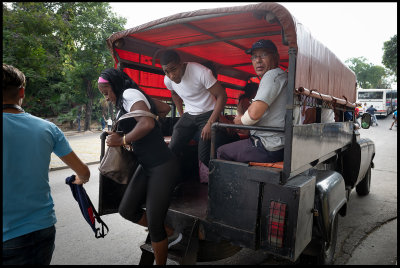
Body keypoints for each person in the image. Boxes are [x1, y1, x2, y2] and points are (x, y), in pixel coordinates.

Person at [3, 64, 90, 265]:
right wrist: (79, 179)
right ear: (22, 92)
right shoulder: (47, 128)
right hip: (40, 229)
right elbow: (83, 171)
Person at [98, 68, 180, 265]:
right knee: (126, 209)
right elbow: (163, 109)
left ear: (116, 85)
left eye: (107, 92)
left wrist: (123, 139)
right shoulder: (128, 97)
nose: (107, 98)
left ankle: (162, 241)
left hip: (162, 165)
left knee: (154, 224)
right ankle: (173, 234)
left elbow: (147, 124)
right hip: (146, 165)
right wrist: (145, 102)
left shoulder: (128, 94)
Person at [217, 39, 287, 163]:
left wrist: (240, 120)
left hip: (268, 146)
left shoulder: (272, 75)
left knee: (222, 151)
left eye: (264, 55)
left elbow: (254, 114)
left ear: (276, 57)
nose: (258, 60)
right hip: (280, 144)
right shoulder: (281, 76)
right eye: (254, 57)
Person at [160, 49, 227, 168]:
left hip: (208, 113)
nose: (171, 75)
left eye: (174, 69)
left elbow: (222, 95)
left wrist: (210, 123)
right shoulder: (168, 80)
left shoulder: (201, 72)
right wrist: (182, 115)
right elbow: (174, 95)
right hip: (189, 114)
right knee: (173, 146)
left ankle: (220, 179)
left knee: (204, 157)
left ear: (181, 63)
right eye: (166, 72)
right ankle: (172, 178)